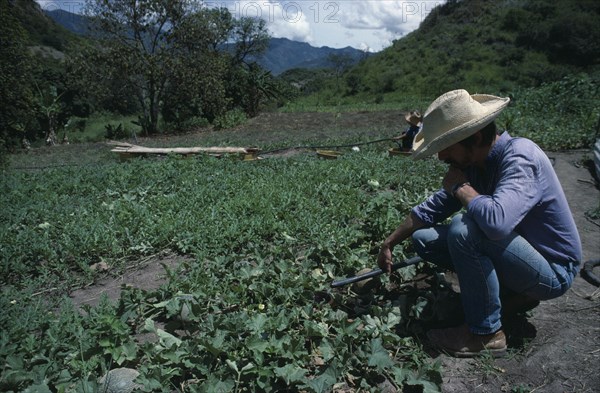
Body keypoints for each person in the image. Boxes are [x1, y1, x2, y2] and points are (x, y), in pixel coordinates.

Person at [377, 89, 582, 358]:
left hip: (553, 269)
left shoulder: (521, 157)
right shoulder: (476, 164)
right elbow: (432, 209)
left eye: (446, 148)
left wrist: (461, 187)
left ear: (473, 138)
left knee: (465, 228)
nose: (441, 158)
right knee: (424, 238)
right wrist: (390, 241)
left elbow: (497, 224)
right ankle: (510, 294)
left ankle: (485, 333)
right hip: (518, 254)